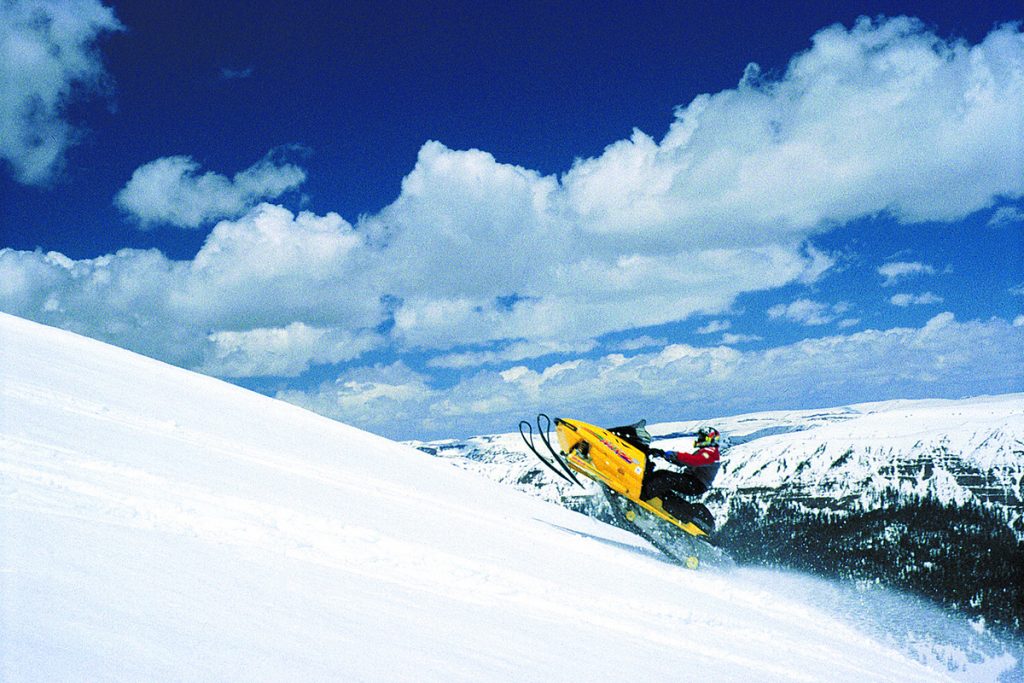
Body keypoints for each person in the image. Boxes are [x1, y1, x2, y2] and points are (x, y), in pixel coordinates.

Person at [642, 427, 721, 532]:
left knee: (666, 478)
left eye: (702, 437)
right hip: (693, 480)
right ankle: (657, 498)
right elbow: (686, 462)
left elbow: (694, 461)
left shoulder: (710, 452)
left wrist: (673, 455)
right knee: (662, 474)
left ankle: (643, 494)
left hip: (697, 483)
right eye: (700, 437)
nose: (699, 439)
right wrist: (663, 454)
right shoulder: (706, 452)